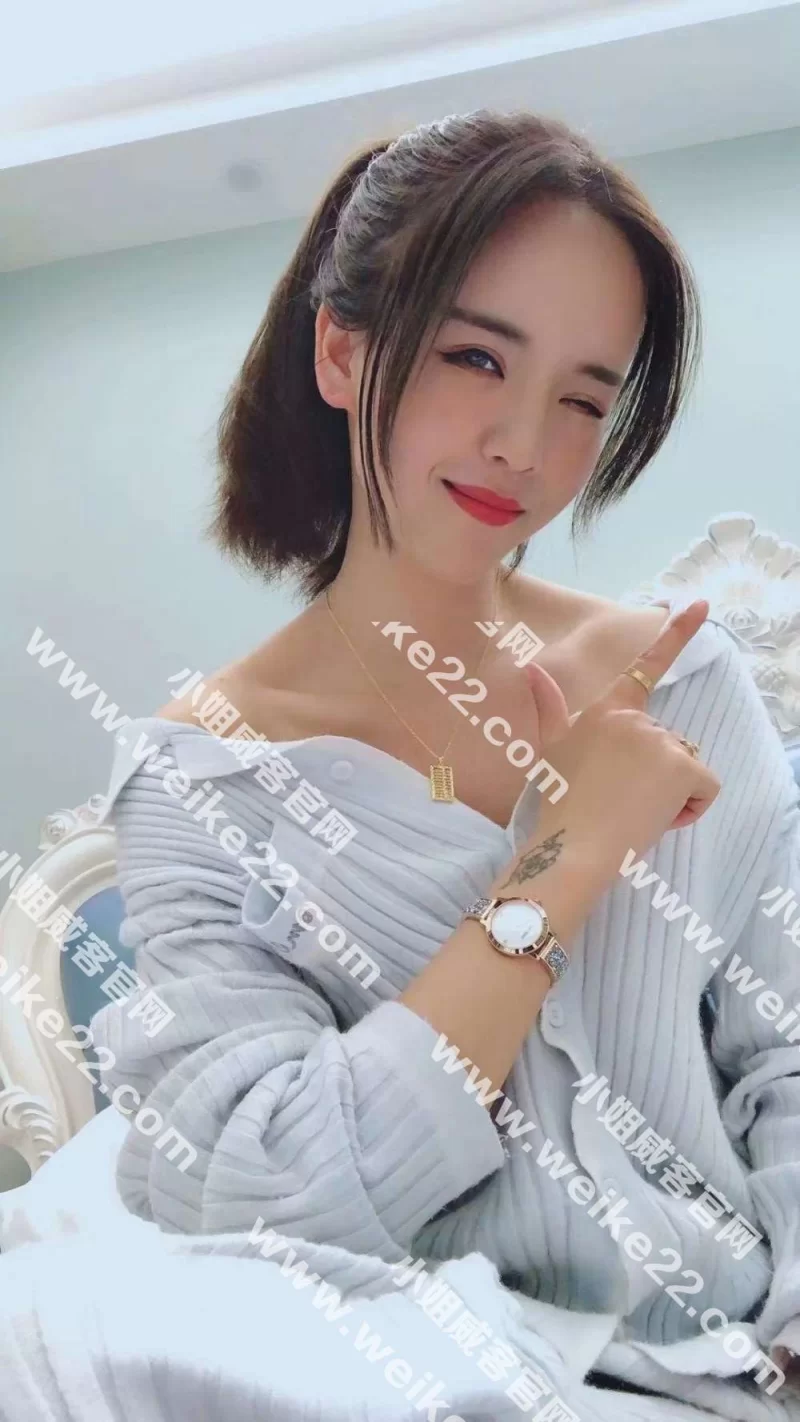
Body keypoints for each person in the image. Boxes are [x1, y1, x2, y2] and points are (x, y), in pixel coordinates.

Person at [2, 108, 799, 1422]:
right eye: (474, 357)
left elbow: (786, 1057)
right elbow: (267, 1187)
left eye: (583, 398)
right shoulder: (205, 779)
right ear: (340, 349)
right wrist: (565, 860)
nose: (523, 445)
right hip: (408, 1371)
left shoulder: (686, 681)